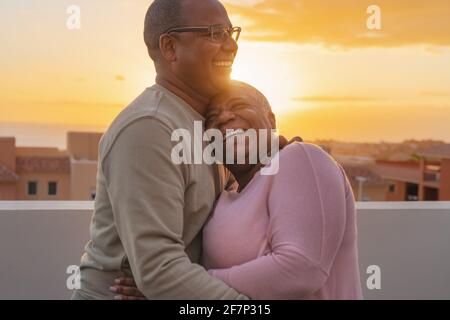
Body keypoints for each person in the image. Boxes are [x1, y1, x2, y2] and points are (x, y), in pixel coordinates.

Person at [111, 81, 363, 300]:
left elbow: (301, 269)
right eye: (212, 119)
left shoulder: (300, 158)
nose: (223, 118)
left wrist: (175, 290)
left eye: (238, 106)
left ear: (271, 120)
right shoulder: (226, 195)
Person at [72, 0, 250, 299]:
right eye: (216, 33)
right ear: (170, 47)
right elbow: (159, 269)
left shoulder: (207, 123)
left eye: (231, 32)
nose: (232, 45)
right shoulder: (149, 128)